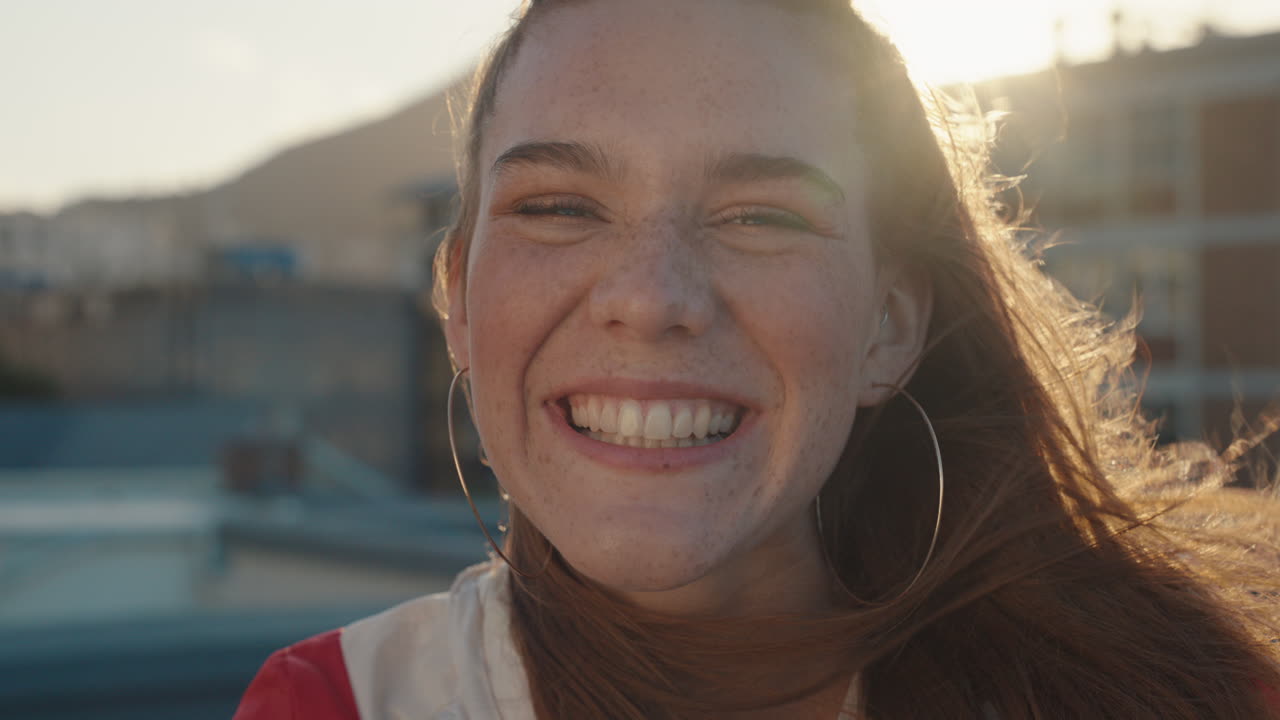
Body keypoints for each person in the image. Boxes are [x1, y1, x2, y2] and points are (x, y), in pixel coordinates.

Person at [234, 0, 1280, 718]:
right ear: (457, 298)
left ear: (887, 327)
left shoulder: (1180, 696)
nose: (651, 298)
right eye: (558, 207)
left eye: (760, 216)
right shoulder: (342, 705)